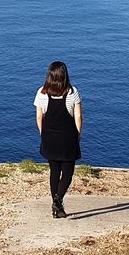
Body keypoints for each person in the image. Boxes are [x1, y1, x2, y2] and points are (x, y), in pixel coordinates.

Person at [34, 60, 83, 218]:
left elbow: (39, 117)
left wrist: (44, 134)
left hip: (49, 138)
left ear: (49, 75)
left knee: (54, 172)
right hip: (68, 138)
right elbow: (78, 116)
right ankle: (58, 200)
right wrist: (78, 135)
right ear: (65, 75)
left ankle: (57, 206)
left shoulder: (41, 92)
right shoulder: (72, 92)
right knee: (67, 174)